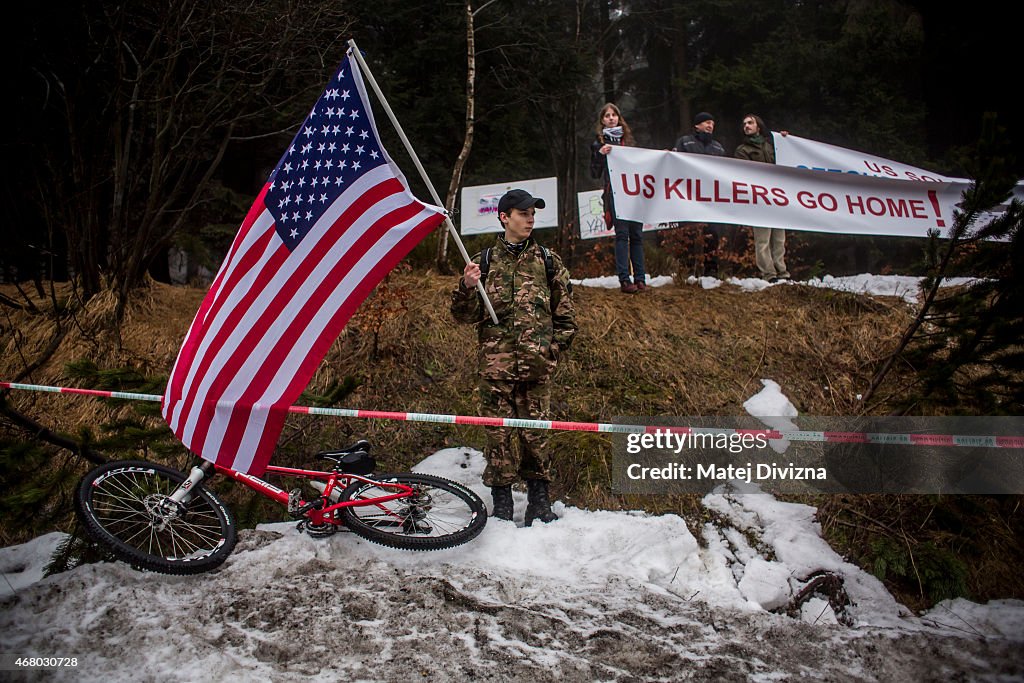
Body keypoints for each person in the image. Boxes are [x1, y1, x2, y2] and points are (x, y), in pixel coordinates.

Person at [450, 189, 578, 525]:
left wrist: (552, 352)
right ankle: (503, 506)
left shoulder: (549, 262)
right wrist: (466, 286)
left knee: (536, 436)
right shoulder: (483, 262)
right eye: (523, 213)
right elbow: (462, 316)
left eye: (533, 213)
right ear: (504, 217)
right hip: (496, 370)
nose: (530, 219)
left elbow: (566, 319)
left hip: (537, 371)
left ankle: (539, 502)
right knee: (498, 439)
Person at [590, 103, 647, 294]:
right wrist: (600, 155)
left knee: (637, 235)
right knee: (622, 235)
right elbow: (594, 173)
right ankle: (624, 279)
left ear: (619, 118)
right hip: (614, 193)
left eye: (614, 115)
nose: (611, 118)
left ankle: (641, 278)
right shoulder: (598, 143)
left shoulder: (628, 141)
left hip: (634, 193)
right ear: (602, 120)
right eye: (607, 115)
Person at [735, 113, 790, 282]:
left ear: (758, 126)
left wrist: (785, 140)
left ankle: (782, 271)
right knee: (763, 239)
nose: (746, 126)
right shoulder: (742, 151)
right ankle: (769, 274)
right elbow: (743, 173)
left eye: (750, 123)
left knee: (779, 238)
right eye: (744, 124)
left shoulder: (771, 146)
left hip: (777, 197)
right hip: (758, 199)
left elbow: (787, 159)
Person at [673, 112, 726, 275]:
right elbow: (674, 164)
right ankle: (686, 270)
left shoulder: (718, 147)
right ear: (697, 125)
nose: (710, 125)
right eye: (706, 122)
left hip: (710, 198)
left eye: (712, 123)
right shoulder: (685, 142)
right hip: (688, 195)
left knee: (712, 234)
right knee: (687, 233)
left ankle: (711, 272)